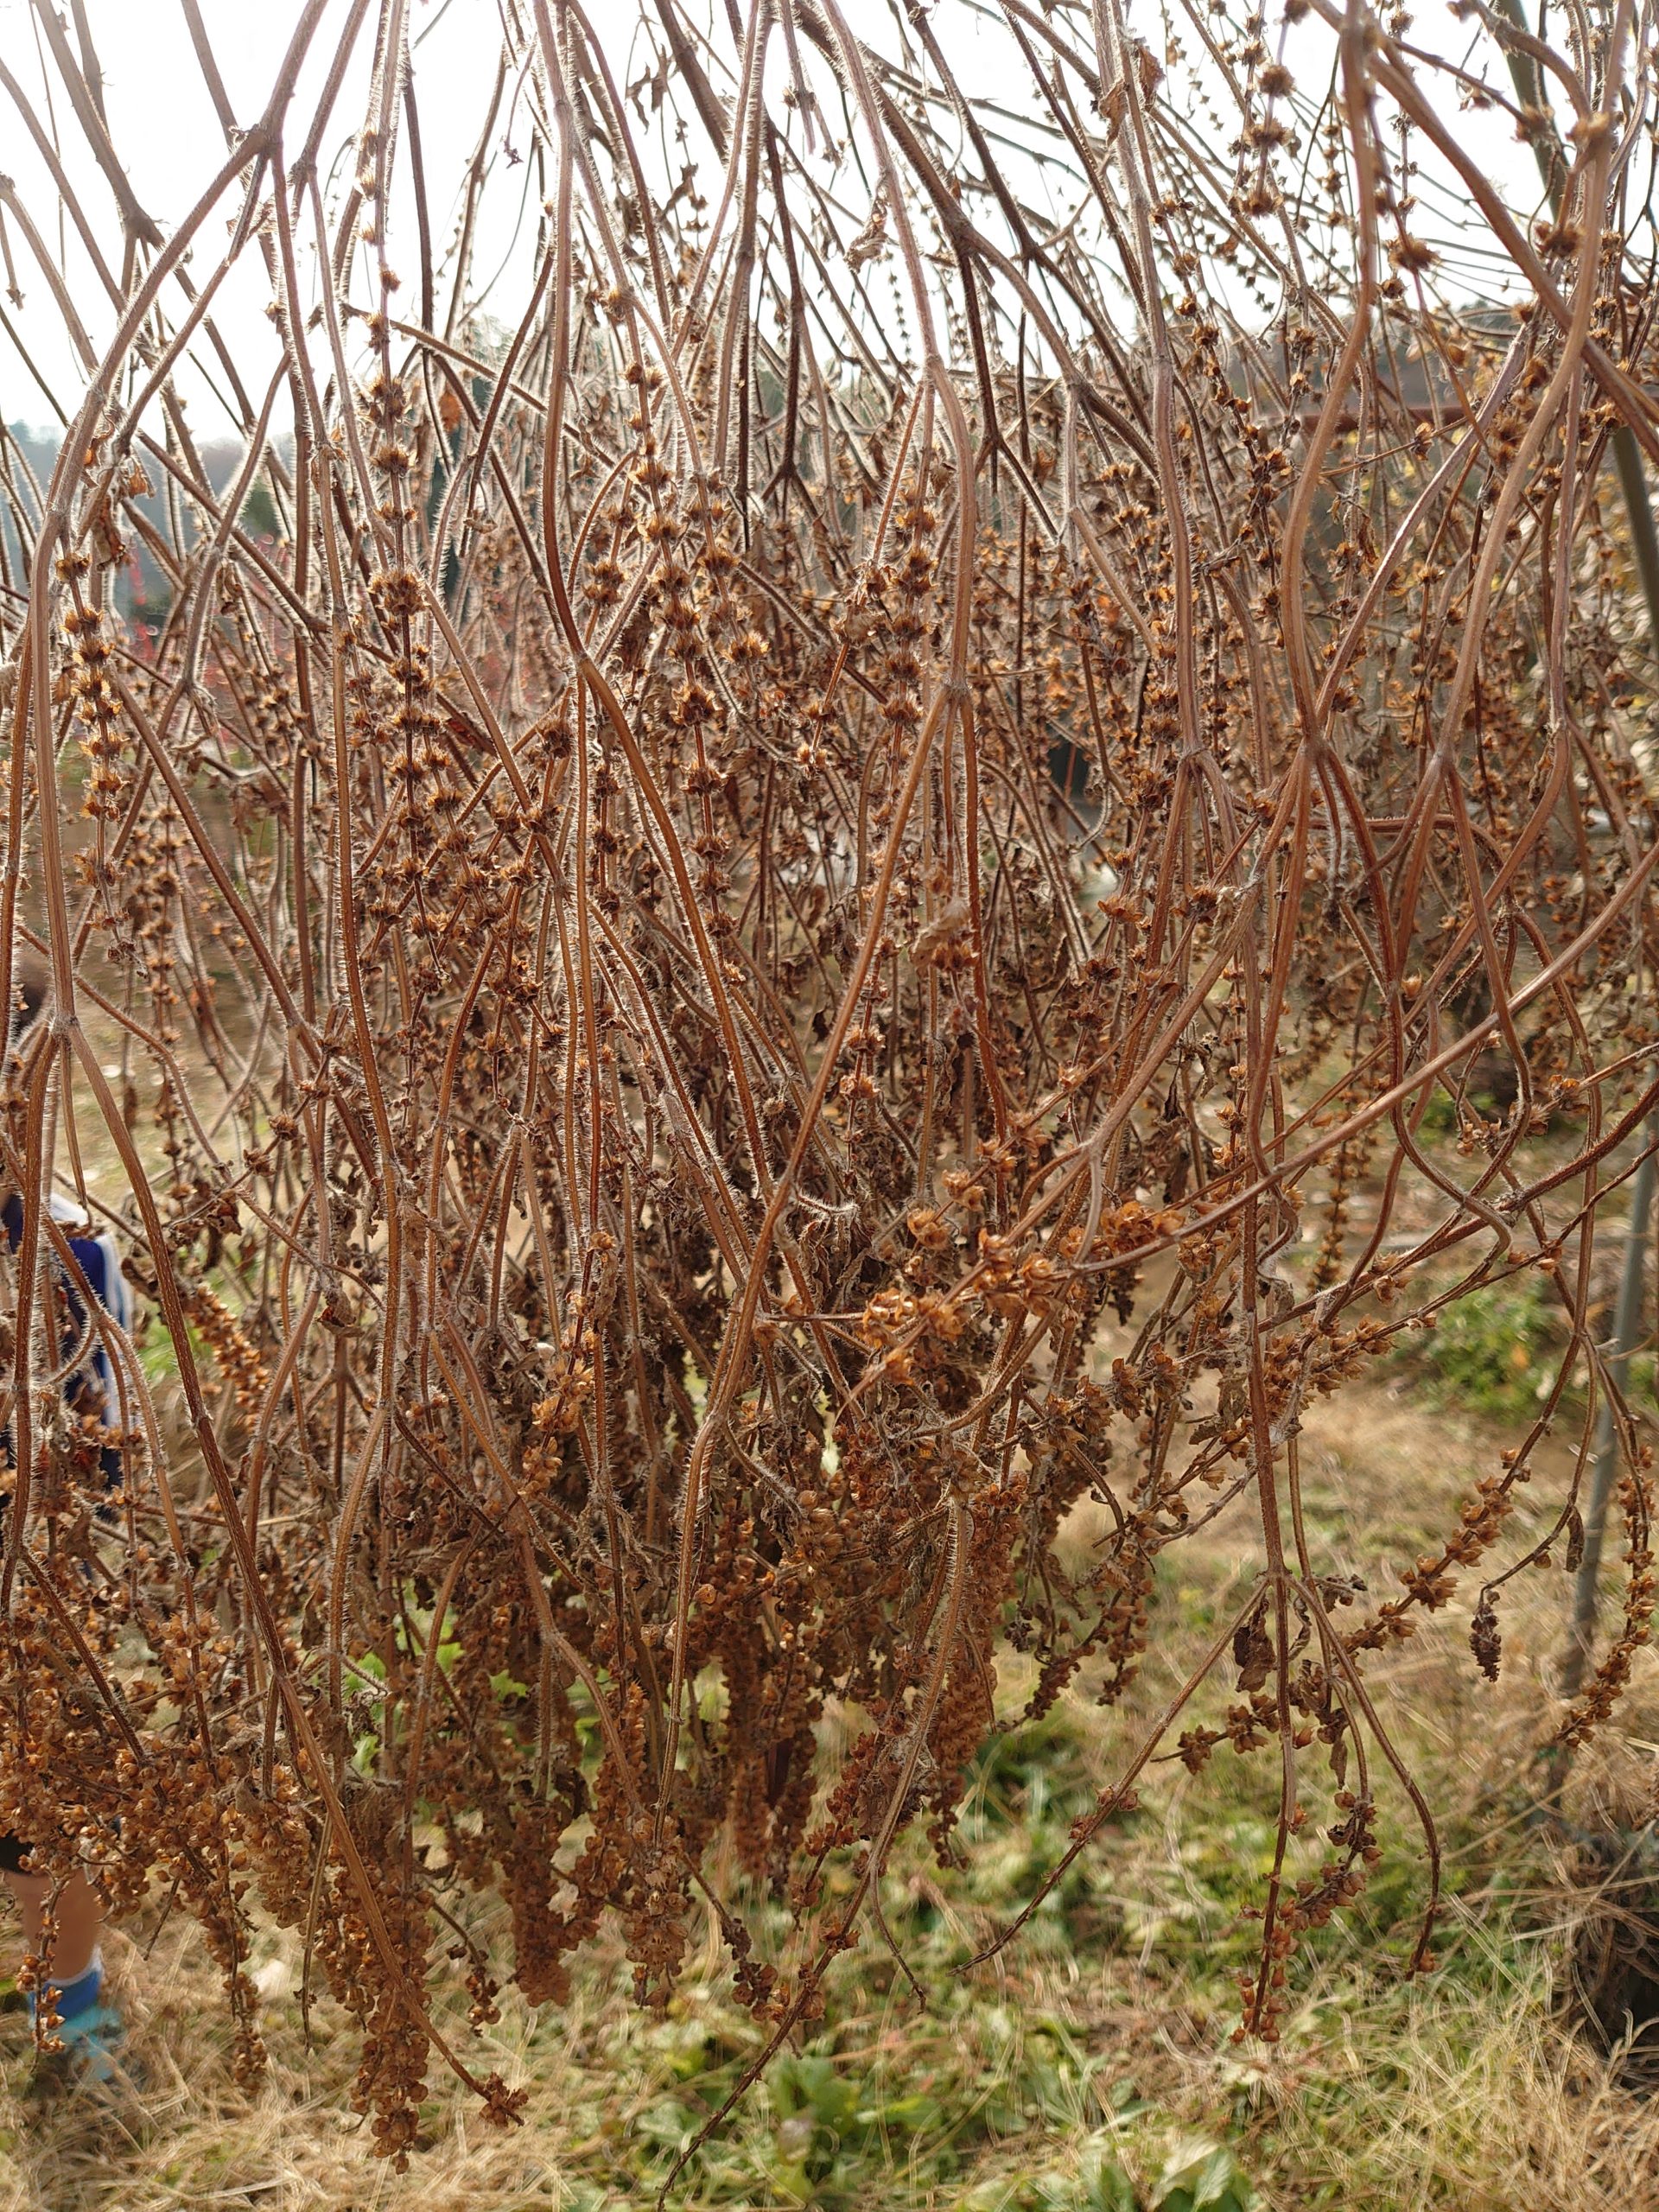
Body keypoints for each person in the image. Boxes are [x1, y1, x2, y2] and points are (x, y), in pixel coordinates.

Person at [0, 959, 130, 2086]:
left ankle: (75, 2017)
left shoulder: (71, 1251)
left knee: (37, 1823)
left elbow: (108, 1453)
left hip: (31, 1581)